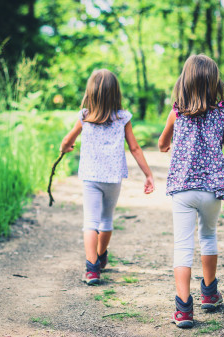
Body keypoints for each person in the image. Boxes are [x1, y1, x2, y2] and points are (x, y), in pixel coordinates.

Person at [158, 54, 224, 328]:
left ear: (185, 81)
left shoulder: (177, 112)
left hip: (182, 187)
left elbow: (161, 142)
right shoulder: (223, 112)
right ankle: (209, 294)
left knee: (182, 244)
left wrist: (166, 144)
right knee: (208, 235)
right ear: (213, 82)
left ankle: (183, 309)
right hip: (212, 188)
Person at [60, 69, 155, 285]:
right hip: (113, 178)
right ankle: (101, 255)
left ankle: (92, 268)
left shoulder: (84, 117)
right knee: (106, 219)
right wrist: (148, 174)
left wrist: (65, 147)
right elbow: (135, 148)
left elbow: (67, 141)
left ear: (90, 92)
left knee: (90, 221)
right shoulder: (122, 117)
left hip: (91, 177)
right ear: (116, 93)